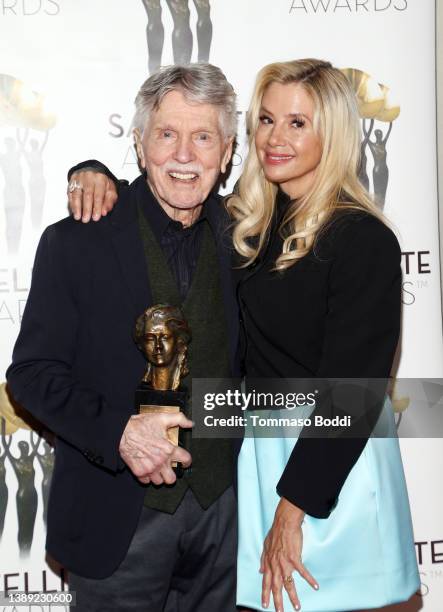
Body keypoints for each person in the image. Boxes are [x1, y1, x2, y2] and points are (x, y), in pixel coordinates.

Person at [71, 59, 420, 612]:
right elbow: (165, 187)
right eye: (266, 119)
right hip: (257, 467)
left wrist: (293, 507)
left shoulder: (361, 238)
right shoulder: (247, 224)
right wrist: (92, 172)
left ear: (333, 133)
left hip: (328, 470)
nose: (276, 138)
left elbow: (354, 393)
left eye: (298, 123)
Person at [7, 63, 240, 612]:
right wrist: (119, 433)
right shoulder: (76, 243)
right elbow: (32, 374)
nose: (184, 154)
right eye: (166, 134)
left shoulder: (247, 239)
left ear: (227, 153)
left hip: (224, 523)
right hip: (115, 521)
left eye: (203, 136)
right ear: (138, 145)